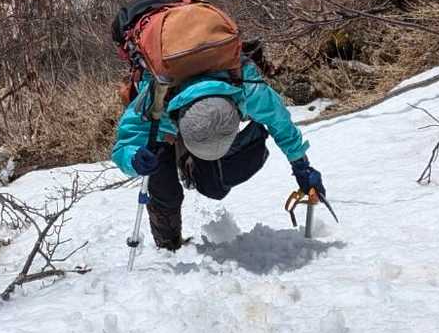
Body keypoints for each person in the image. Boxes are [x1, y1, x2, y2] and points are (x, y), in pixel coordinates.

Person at [111, 56, 327, 251]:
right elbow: (124, 145)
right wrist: (134, 158)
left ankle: (197, 168)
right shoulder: (154, 102)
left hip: (211, 119)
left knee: (215, 185)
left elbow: (280, 122)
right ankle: (168, 246)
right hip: (165, 114)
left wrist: (301, 165)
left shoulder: (247, 88)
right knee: (163, 184)